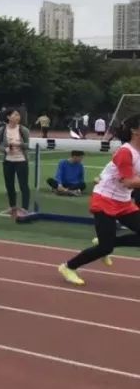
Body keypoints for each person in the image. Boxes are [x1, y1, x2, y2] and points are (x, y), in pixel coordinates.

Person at [58, 116, 140, 285]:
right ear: (135, 130)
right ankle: (68, 267)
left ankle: (108, 242)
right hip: (105, 199)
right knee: (105, 248)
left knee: (108, 243)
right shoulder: (126, 152)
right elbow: (128, 181)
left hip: (123, 201)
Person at [0, 109, 32, 220]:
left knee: (23, 185)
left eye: (18, 115)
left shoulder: (23, 130)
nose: (18, 117)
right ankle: (12, 207)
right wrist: (5, 149)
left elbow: (29, 144)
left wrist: (19, 144)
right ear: (8, 117)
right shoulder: (2, 130)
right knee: (9, 185)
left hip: (21, 160)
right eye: (15, 115)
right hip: (8, 161)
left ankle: (25, 209)